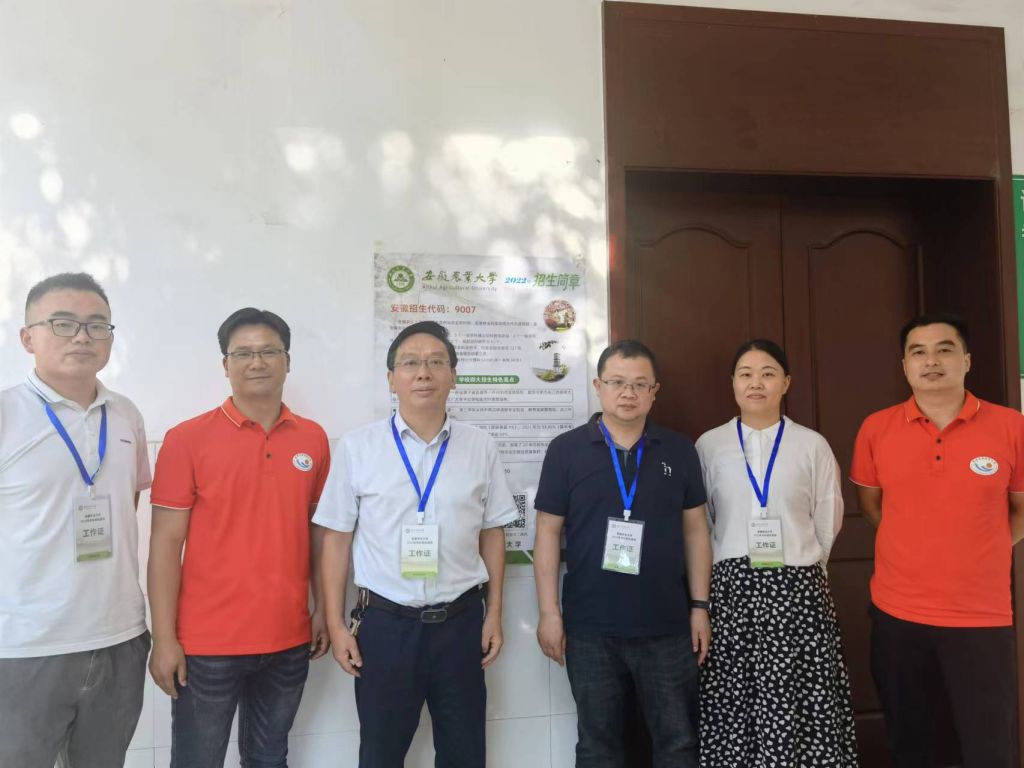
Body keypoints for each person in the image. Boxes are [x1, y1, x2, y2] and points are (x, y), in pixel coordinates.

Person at [315, 320, 517, 768]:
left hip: (461, 624)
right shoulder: (358, 447)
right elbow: (336, 539)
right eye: (410, 363)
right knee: (381, 755)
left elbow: (492, 532)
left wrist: (494, 614)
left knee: (465, 755)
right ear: (392, 379)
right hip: (386, 627)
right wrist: (335, 623)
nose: (423, 372)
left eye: (435, 362)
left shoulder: (480, 446)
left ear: (453, 376)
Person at [147, 307, 331, 768]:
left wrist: (324, 610)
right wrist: (164, 638)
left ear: (287, 361)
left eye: (269, 351)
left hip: (288, 638)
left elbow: (319, 535)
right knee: (197, 761)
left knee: (269, 759)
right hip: (207, 644)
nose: (257, 362)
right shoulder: (186, 439)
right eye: (243, 353)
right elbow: (165, 545)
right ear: (225, 364)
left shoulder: (313, 439)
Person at [851, 313, 1024, 768]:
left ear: (966, 360)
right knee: (912, 748)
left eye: (944, 349)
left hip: (982, 618)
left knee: (989, 750)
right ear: (904, 365)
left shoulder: (1012, 427)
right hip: (898, 616)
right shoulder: (876, 428)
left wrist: (980, 548)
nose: (931, 361)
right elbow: (871, 507)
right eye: (918, 352)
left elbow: (1021, 509)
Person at [533, 339, 712, 768]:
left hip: (667, 627)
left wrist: (700, 607)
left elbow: (696, 531)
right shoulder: (566, 450)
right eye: (617, 382)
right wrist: (549, 613)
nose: (628, 393)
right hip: (590, 629)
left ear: (654, 391)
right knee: (597, 747)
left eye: (639, 384)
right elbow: (547, 532)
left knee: (678, 743)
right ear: (598, 386)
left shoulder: (679, 450)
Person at [0, 273, 151, 768]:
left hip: (120, 637)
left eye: (96, 325)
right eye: (63, 323)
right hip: (24, 646)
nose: (82, 337)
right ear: (28, 337)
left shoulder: (126, 414)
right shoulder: (6, 413)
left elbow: (126, 504)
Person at [695, 338, 857, 767]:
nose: (756, 383)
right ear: (732, 383)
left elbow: (828, 515)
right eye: (746, 374)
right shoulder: (709, 445)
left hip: (798, 590)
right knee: (737, 699)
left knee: (800, 699)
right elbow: (702, 522)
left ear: (786, 383)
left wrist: (804, 563)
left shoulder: (811, 444)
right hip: (732, 592)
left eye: (768, 374)